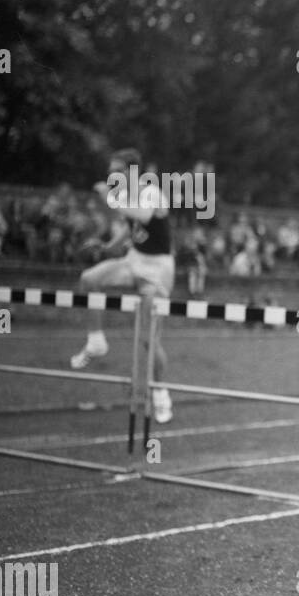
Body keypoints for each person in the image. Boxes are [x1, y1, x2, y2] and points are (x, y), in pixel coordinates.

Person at [70, 149, 175, 424]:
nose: (111, 175)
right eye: (110, 170)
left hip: (158, 269)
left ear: (132, 171)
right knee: (90, 279)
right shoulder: (127, 194)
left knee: (149, 340)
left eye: (116, 169)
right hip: (134, 259)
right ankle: (96, 341)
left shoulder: (150, 190)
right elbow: (131, 229)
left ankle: (161, 394)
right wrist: (107, 248)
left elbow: (143, 215)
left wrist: (109, 197)